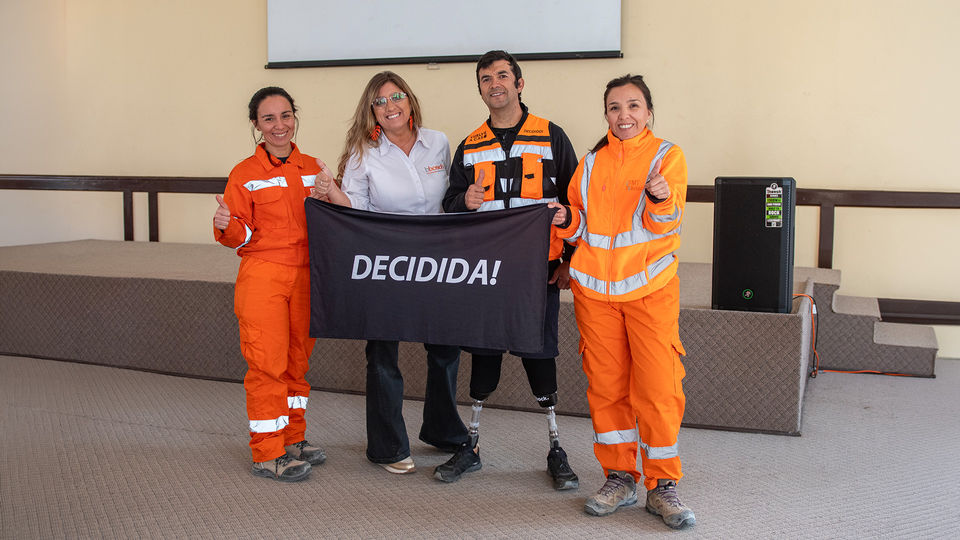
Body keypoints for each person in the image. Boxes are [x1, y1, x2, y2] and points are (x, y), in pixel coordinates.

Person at [551, 74, 695, 529]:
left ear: (648, 112)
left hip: (650, 291)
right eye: (615, 107)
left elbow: (666, 223)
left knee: (658, 389)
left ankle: (662, 484)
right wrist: (565, 218)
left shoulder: (667, 156)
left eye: (633, 106)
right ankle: (619, 477)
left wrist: (659, 197)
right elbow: (581, 226)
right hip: (595, 295)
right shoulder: (591, 163)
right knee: (607, 389)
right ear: (606, 115)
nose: (624, 115)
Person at [436, 50, 579, 490]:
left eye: (502, 75)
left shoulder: (552, 136)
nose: (494, 83)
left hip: (538, 271)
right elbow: (449, 204)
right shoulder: (470, 145)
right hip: (487, 273)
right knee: (484, 356)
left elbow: (577, 203)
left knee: (540, 355)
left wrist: (569, 261)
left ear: (519, 83)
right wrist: (464, 201)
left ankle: (556, 448)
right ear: (480, 89)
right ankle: (472, 446)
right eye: (485, 78)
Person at [315, 71, 469, 475]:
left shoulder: (438, 142)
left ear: (410, 100)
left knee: (445, 349)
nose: (390, 106)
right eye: (380, 101)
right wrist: (332, 192)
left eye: (396, 96)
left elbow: (451, 198)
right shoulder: (363, 153)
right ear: (372, 111)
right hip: (386, 264)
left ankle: (442, 429)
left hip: (437, 261)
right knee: (383, 354)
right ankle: (387, 447)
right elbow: (356, 210)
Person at [213, 86, 334, 482]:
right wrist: (226, 225)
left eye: (285, 115)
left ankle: (293, 439)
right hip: (264, 275)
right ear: (256, 124)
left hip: (307, 276)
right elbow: (240, 235)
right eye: (269, 118)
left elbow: (337, 217)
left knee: (297, 363)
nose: (279, 125)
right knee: (267, 365)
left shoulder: (313, 167)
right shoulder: (244, 173)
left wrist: (330, 192)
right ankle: (267, 453)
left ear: (294, 117)